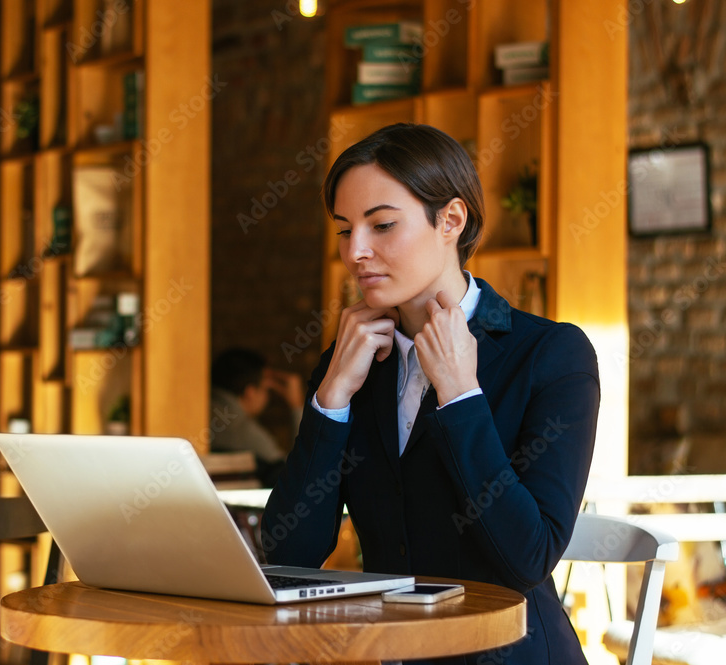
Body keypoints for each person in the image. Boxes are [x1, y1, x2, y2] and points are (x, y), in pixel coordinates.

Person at [262, 123, 600, 665]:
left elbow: (526, 559)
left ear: (451, 219)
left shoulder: (552, 356)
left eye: (383, 225)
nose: (357, 252)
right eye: (345, 231)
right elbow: (288, 553)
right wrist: (331, 400)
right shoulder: (349, 363)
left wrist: (461, 396)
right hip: (386, 653)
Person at [210, 347, 304, 488]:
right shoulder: (241, 429)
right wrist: (297, 406)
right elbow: (297, 472)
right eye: (266, 389)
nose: (268, 397)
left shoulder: (197, 410)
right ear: (250, 393)